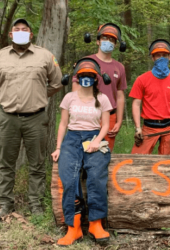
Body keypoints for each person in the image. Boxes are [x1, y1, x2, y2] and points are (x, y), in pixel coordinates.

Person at [0, 18, 63, 219]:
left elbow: (56, 83)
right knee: (5, 163)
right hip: (8, 117)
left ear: (31, 34)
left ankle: (36, 204)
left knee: (36, 163)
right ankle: (5, 204)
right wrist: (6, 97)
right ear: (11, 34)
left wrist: (38, 96)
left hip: (36, 118)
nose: (21, 32)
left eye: (25, 29)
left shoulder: (45, 56)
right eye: (17, 29)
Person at [51, 58, 112, 246]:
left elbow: (106, 125)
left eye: (90, 75)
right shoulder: (69, 97)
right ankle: (74, 227)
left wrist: (97, 141)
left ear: (96, 78)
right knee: (68, 177)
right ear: (77, 77)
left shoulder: (102, 98)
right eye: (83, 75)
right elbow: (62, 124)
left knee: (96, 175)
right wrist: (59, 147)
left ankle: (96, 223)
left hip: (94, 136)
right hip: (72, 137)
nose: (86, 78)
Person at [72, 23, 127, 152]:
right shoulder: (85, 61)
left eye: (112, 39)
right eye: (104, 38)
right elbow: (75, 87)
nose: (108, 41)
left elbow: (120, 95)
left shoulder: (119, 67)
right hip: (87, 114)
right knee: (83, 151)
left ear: (116, 44)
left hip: (110, 116)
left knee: (104, 153)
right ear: (97, 41)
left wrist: (119, 121)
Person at [129, 39, 170, 155]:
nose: (161, 58)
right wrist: (137, 127)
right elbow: (136, 104)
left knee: (168, 163)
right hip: (149, 127)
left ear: (169, 57)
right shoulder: (142, 79)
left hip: (169, 128)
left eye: (164, 55)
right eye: (158, 55)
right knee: (137, 159)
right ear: (152, 58)